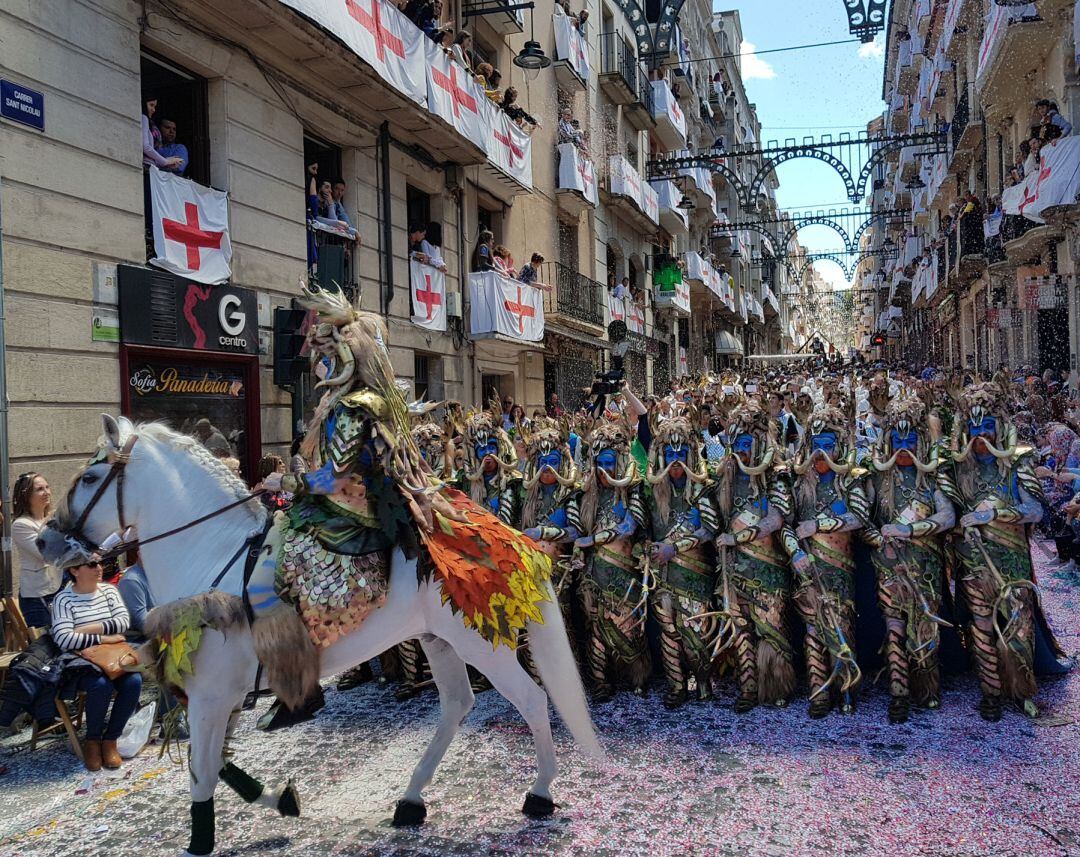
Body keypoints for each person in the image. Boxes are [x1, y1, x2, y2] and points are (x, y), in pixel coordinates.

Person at [714, 400, 798, 712]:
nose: (740, 450)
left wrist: (736, 538)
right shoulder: (724, 477)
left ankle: (777, 686)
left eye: (746, 443)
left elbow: (775, 519)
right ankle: (747, 687)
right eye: (735, 443)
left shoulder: (776, 474)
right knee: (741, 632)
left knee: (771, 630)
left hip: (767, 571)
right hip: (734, 571)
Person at [644, 415, 719, 708]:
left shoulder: (702, 489)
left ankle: (702, 683)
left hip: (694, 576)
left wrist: (675, 548)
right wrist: (648, 549)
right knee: (668, 633)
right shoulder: (652, 492)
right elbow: (643, 530)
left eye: (681, 453)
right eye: (670, 453)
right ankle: (676, 687)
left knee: (694, 632)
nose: (676, 460)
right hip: (662, 578)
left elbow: (710, 529)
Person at [51, 545, 142, 772]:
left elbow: (123, 623)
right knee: (100, 685)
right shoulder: (64, 599)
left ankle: (110, 739)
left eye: (99, 563)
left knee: (134, 682)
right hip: (82, 663)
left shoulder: (109, 592)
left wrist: (85, 630)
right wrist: (105, 638)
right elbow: (63, 639)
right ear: (74, 570)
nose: (99, 568)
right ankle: (92, 740)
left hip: (111, 657)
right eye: (91, 564)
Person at [11, 473, 62, 629]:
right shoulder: (21, 525)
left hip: (60, 588)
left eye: (47, 487)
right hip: (37, 596)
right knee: (49, 647)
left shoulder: (54, 519)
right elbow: (46, 554)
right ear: (26, 495)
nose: (46, 492)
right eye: (40, 489)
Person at [141, 98, 184, 172]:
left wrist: (167, 161)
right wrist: (165, 161)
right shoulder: (143, 117)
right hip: (147, 168)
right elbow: (145, 147)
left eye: (154, 106)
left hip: (150, 167)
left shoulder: (180, 147)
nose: (153, 110)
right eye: (151, 105)